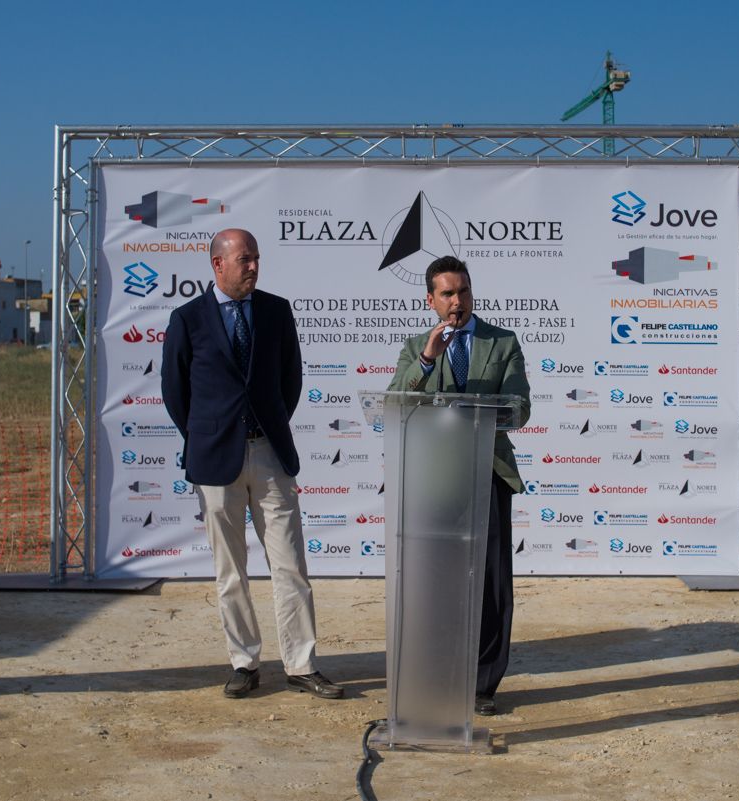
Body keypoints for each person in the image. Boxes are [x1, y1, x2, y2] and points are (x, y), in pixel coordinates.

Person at [161, 228, 342, 700]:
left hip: (270, 455)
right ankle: (244, 662)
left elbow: (291, 381)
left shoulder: (276, 311)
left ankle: (301, 664)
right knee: (230, 571)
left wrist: (264, 426)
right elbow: (175, 393)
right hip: (215, 459)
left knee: (291, 565)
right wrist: (210, 436)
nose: (254, 267)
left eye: (256, 258)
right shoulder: (187, 319)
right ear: (217, 265)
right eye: (245, 260)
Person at [387, 255, 531, 717]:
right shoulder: (416, 347)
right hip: (433, 476)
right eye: (447, 294)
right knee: (435, 584)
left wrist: (479, 408)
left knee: (490, 583)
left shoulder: (501, 342)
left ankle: (483, 684)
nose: (457, 301)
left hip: (487, 472)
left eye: (463, 291)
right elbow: (395, 405)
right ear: (430, 300)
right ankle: (437, 674)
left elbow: (519, 408)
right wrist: (429, 359)